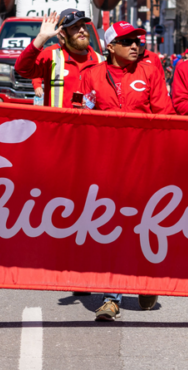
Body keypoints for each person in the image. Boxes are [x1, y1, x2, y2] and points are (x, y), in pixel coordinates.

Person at [75, 20, 173, 321]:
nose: (135, 46)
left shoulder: (150, 71)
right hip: (107, 165)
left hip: (145, 163)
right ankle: (111, 297)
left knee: (144, 226)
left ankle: (145, 277)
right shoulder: (90, 76)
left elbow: (166, 116)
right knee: (112, 229)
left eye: (137, 41)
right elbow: (78, 118)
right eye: (128, 41)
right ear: (111, 46)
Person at [14, 9, 100, 108]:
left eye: (83, 26)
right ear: (63, 33)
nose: (81, 30)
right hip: (58, 123)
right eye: (75, 27)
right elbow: (22, 69)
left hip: (88, 123)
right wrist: (41, 38)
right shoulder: (51, 56)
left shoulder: (101, 61)